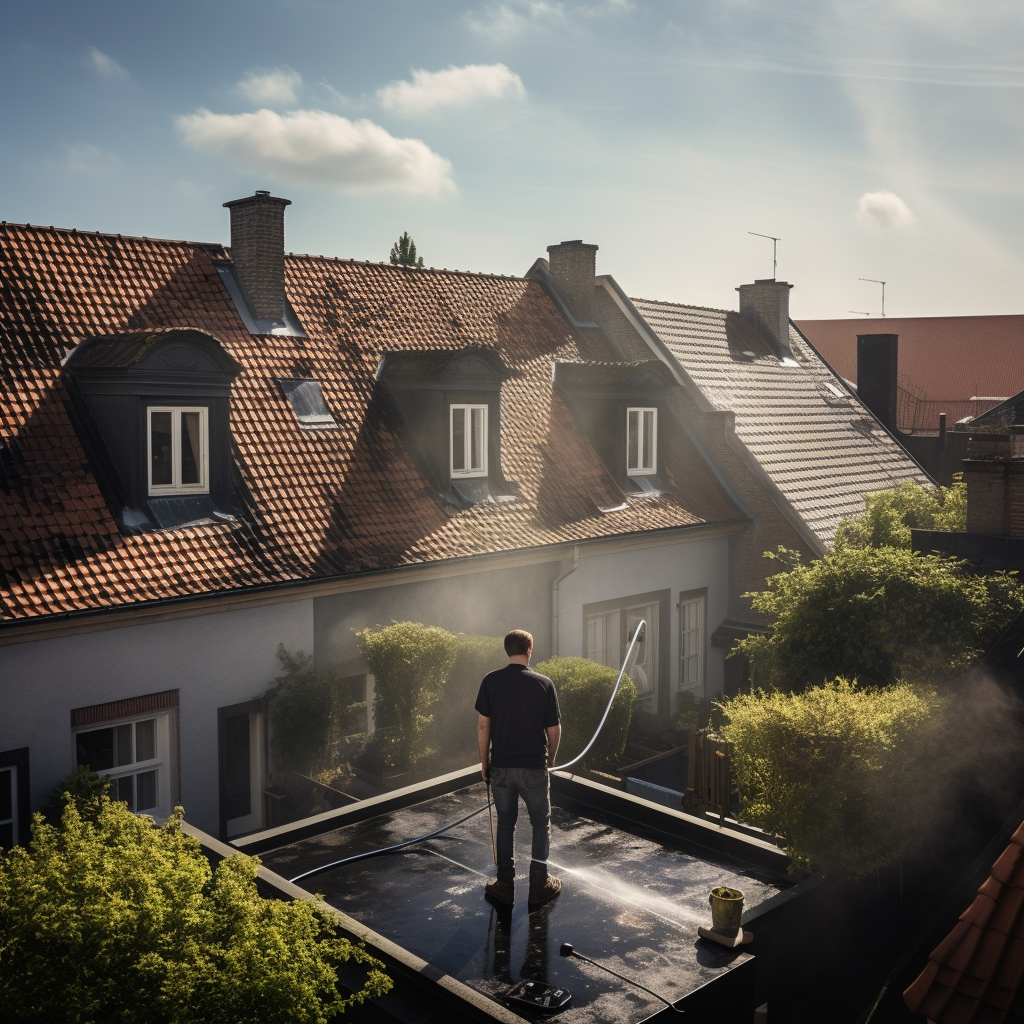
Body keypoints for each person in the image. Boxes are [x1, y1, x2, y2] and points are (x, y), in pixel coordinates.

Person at [475, 629, 562, 908]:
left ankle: (504, 884)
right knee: (540, 823)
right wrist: (550, 759)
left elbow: (483, 726)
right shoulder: (544, 684)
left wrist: (484, 764)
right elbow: (554, 729)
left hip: (501, 767)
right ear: (529, 650)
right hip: (533, 767)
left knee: (505, 825)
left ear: (506, 650)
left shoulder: (491, 681)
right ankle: (539, 885)